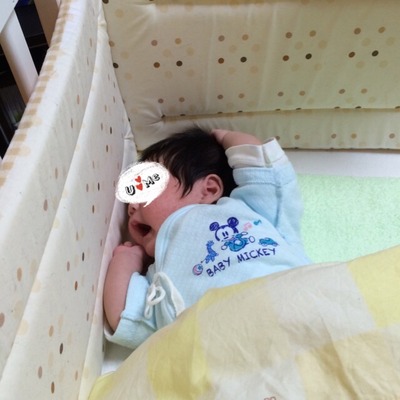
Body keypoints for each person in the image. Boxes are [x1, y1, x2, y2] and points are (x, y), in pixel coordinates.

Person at [103, 127, 310, 349]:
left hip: (296, 307)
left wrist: (225, 137)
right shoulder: (159, 276)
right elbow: (126, 316)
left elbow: (268, 172)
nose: (131, 207)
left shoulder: (253, 209)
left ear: (209, 190)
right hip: (227, 346)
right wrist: (126, 261)